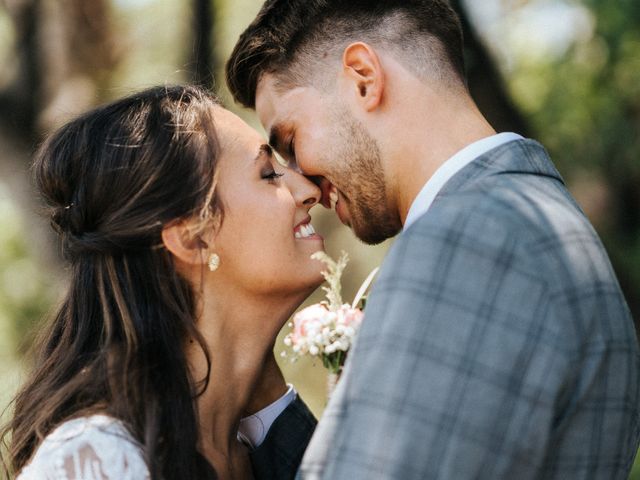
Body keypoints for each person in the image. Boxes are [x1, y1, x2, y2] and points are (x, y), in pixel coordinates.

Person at [225, 0, 640, 478]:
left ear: (363, 77)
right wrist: (269, 403)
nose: (305, 188)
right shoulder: (544, 221)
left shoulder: (468, 240)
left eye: (292, 143)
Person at [1, 85, 318, 480]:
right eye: (269, 174)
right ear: (191, 238)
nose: (309, 191)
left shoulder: (253, 449)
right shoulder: (98, 460)